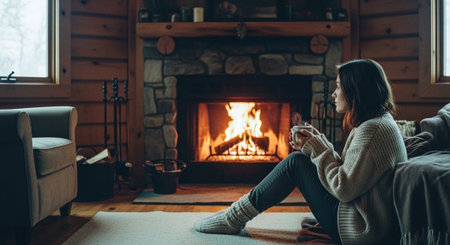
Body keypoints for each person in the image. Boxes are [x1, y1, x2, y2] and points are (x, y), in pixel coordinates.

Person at [194, 59, 408, 245]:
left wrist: (315, 149)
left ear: (356, 91)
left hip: (359, 229)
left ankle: (233, 218)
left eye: (339, 87)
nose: (334, 93)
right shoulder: (376, 123)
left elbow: (343, 188)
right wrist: (318, 142)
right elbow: (349, 172)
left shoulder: (372, 130)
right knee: (300, 159)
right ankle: (235, 215)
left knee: (296, 162)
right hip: (358, 217)